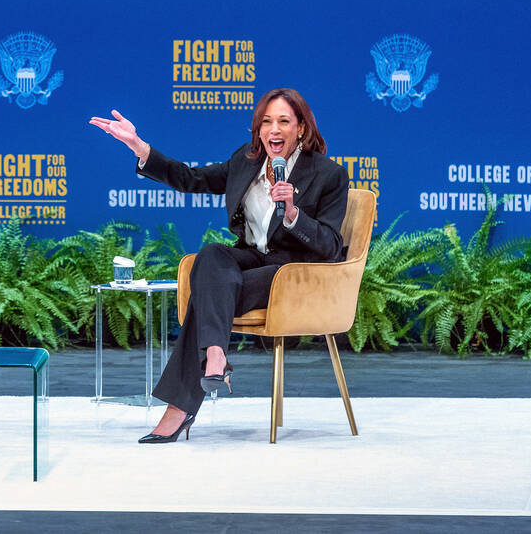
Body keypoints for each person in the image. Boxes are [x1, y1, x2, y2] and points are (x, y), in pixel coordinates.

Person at [90, 88, 348, 443]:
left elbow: (333, 248)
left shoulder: (328, 174)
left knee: (207, 297)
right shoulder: (244, 160)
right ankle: (214, 354)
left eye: (284, 122)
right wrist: (139, 147)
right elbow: (191, 179)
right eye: (266, 122)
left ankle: (180, 409)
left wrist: (293, 214)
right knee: (211, 254)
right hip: (253, 258)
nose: (274, 129)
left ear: (301, 128)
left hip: (293, 275)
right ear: (258, 130)